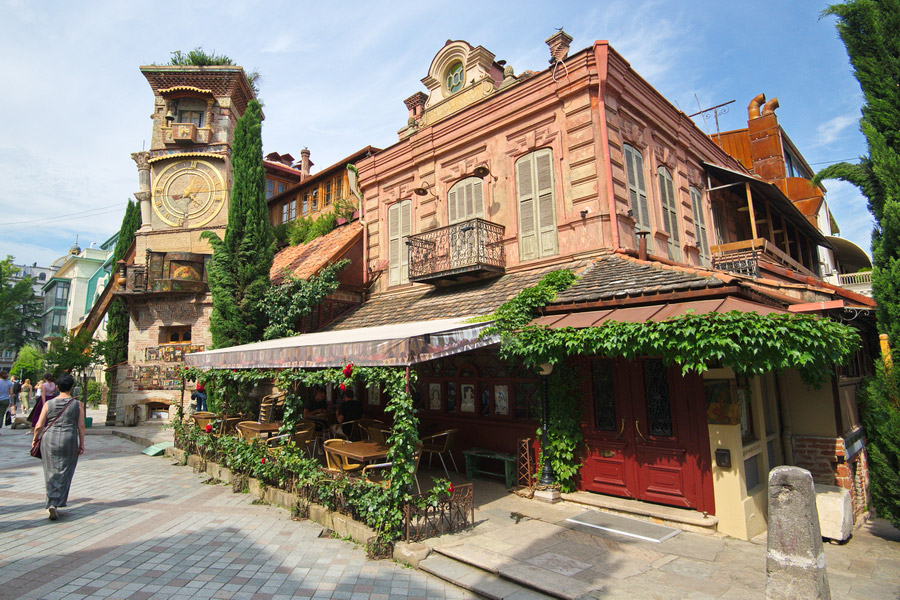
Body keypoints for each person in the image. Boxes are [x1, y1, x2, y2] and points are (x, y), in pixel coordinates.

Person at [31, 373, 85, 521]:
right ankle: (58, 500)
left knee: (50, 470)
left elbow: (39, 425)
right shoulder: (77, 404)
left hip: (50, 438)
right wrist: (82, 443)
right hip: (69, 438)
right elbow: (81, 425)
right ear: (71, 387)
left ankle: (51, 502)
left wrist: (35, 440)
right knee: (66, 470)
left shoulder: (49, 404)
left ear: (57, 387)